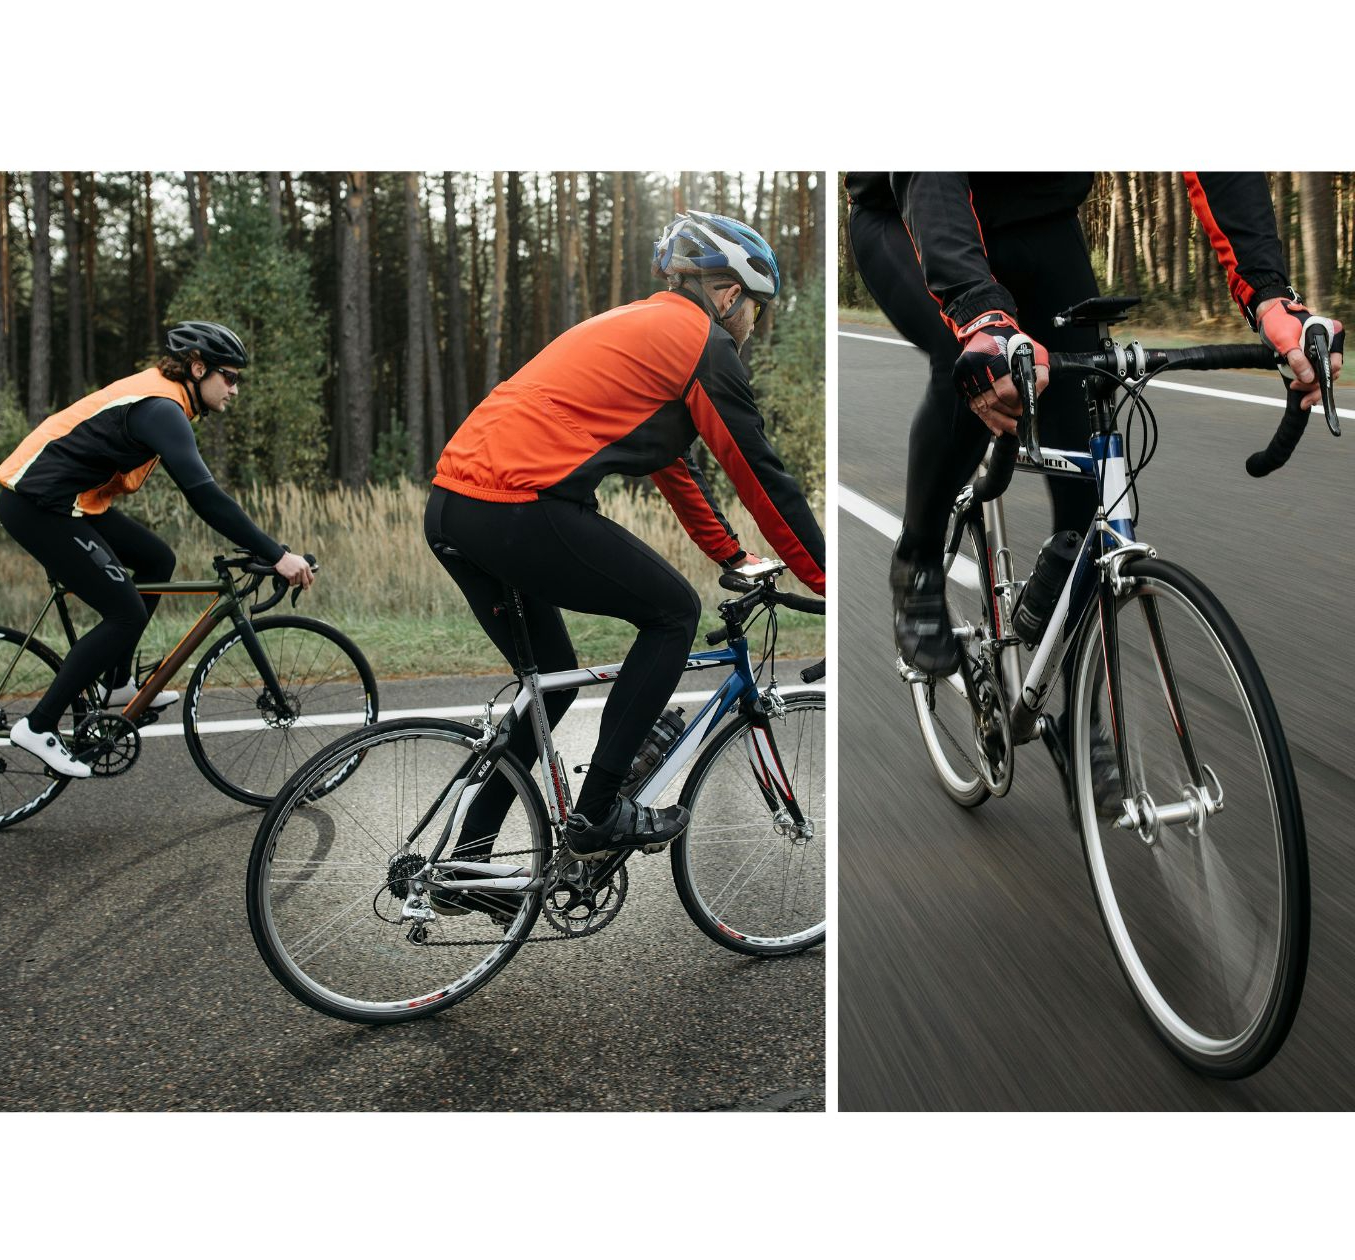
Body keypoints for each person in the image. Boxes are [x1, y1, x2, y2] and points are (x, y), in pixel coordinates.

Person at [426, 212, 826, 892]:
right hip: (518, 503)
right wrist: (831, 583)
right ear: (729, 294)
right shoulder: (703, 341)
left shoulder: (640, 327)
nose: (754, 324)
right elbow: (760, 474)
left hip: (454, 505)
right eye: (756, 308)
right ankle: (600, 810)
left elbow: (675, 466)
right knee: (673, 612)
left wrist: (730, 553)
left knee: (549, 679)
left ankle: (465, 860)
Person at [847, 173, 1344, 679]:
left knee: (1089, 441)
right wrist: (977, 312)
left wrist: (1269, 294)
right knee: (977, 365)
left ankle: (1080, 723)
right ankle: (918, 559)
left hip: (1041, 220)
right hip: (907, 213)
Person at [0, 320, 313, 778]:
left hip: (72, 501)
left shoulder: (166, 400)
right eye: (230, 376)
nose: (235, 389)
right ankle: (38, 725)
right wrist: (278, 554)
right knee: (126, 613)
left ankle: (117, 685)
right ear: (197, 368)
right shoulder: (160, 408)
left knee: (156, 560)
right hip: (38, 505)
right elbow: (204, 496)